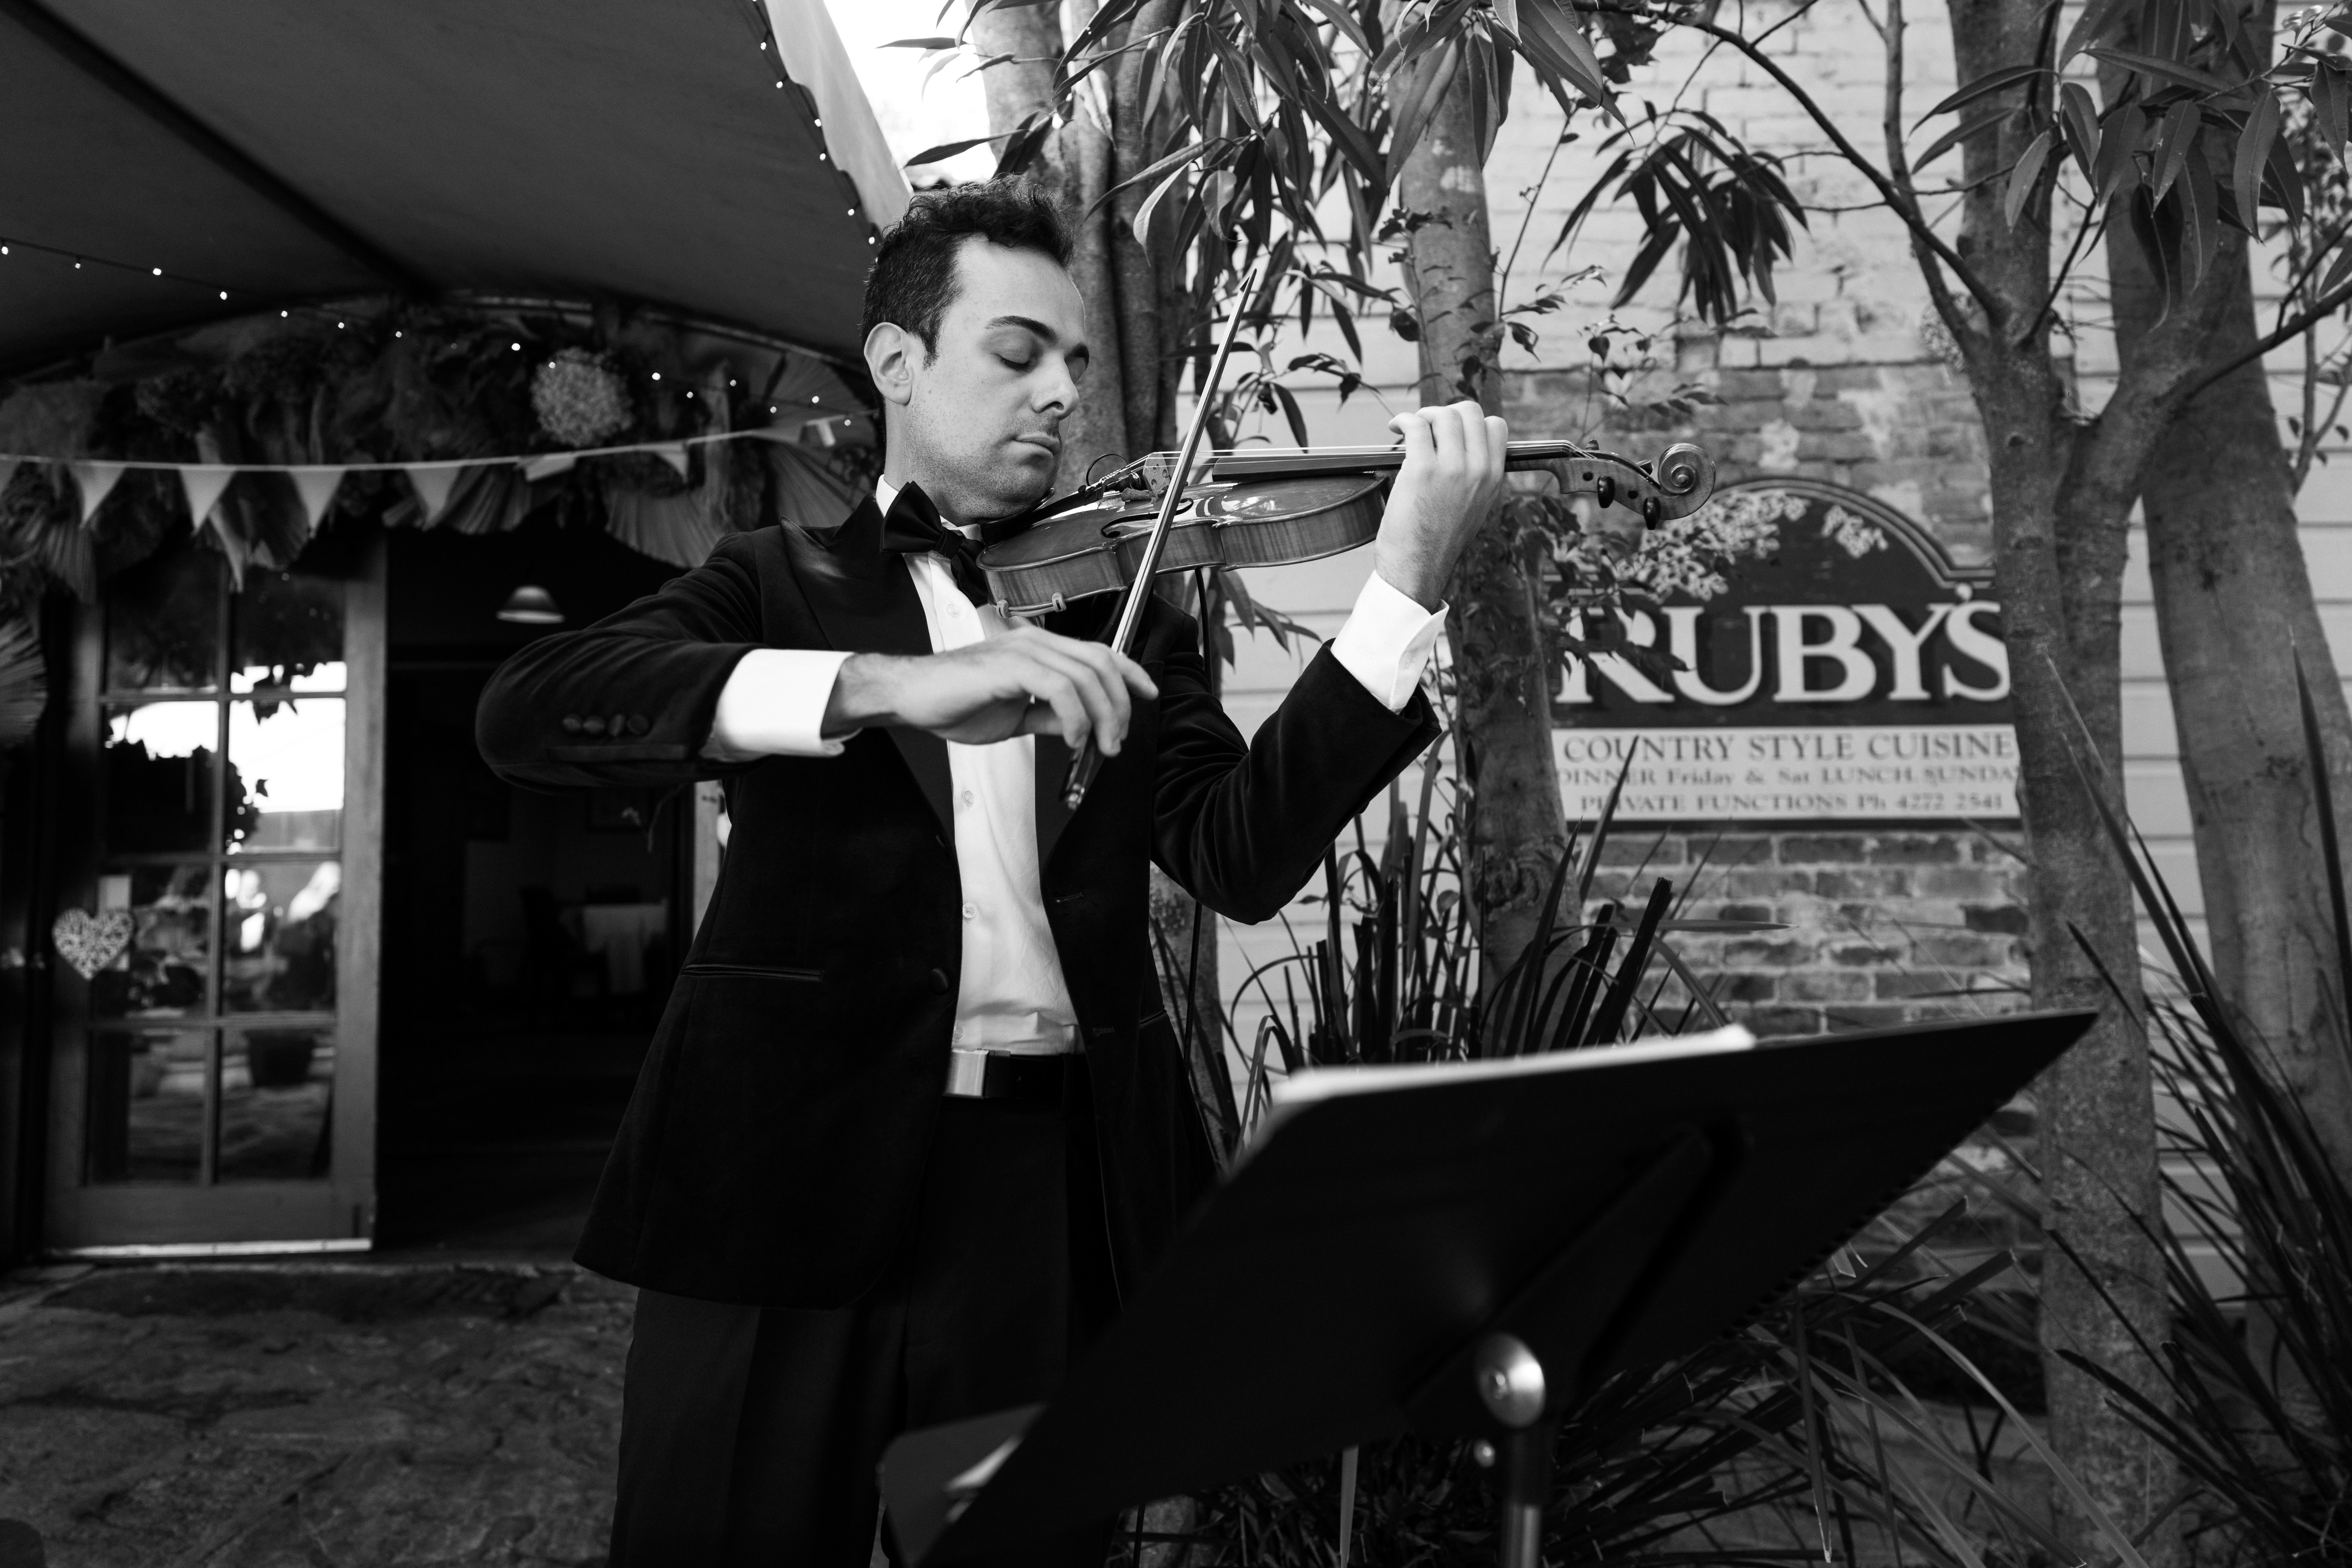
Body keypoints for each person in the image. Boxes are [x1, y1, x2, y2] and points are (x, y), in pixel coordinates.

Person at [475, 177, 1507, 1566]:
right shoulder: (774, 578)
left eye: (1073, 362)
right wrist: (885, 685)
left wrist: (1404, 587)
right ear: (898, 362)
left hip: (1039, 1210)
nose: (1063, 394)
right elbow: (533, 711)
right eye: (1018, 353)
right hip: (782, 1181)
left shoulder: (1128, 612)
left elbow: (1242, 853)